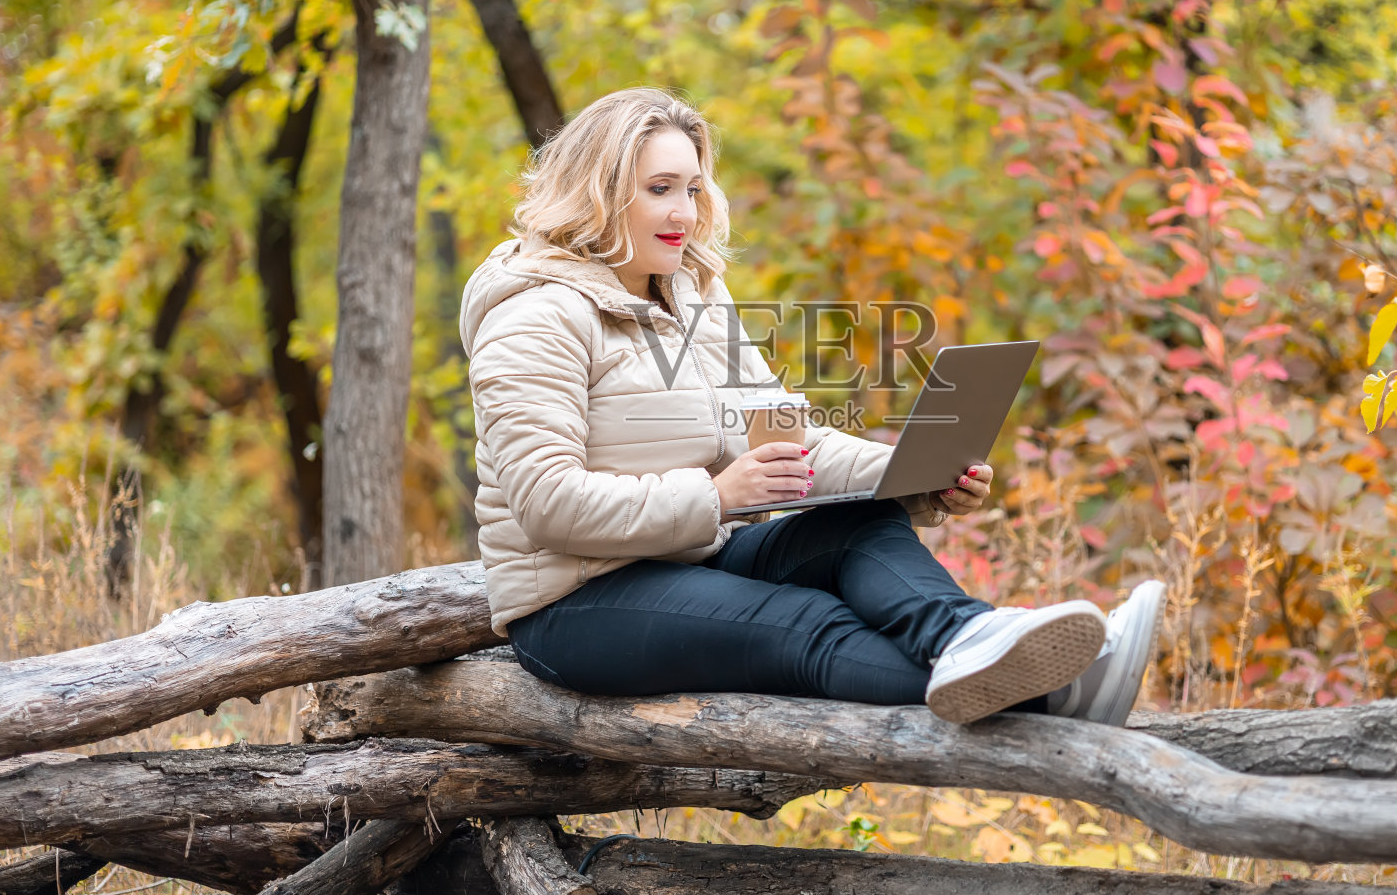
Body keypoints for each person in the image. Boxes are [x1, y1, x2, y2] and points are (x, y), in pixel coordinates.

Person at [460, 87, 1164, 726]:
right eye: (660, 189)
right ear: (600, 193)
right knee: (810, 622)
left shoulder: (693, 298)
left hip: (692, 559)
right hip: (576, 607)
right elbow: (546, 501)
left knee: (861, 522)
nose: (685, 212)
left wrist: (914, 473)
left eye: (694, 189)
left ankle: (966, 637)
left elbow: (788, 438)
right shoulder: (537, 315)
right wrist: (714, 494)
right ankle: (1061, 693)